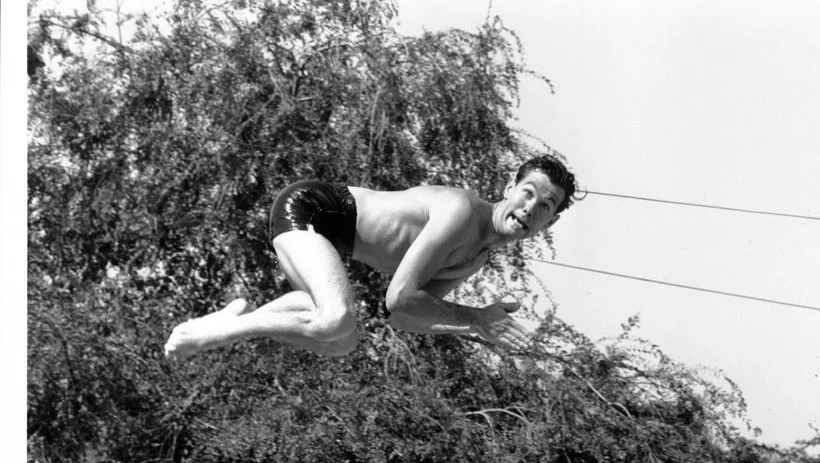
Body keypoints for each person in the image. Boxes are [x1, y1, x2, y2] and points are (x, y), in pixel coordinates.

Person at [163, 154, 579, 360]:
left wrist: (475, 329)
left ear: (549, 223)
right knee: (337, 318)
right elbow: (400, 297)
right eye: (527, 192)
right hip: (315, 207)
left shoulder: (477, 258)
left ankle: (233, 321)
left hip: (333, 241)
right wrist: (473, 316)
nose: (530, 208)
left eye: (545, 205)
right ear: (510, 187)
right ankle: (220, 332)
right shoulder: (462, 212)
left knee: (340, 343)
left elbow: (404, 318)